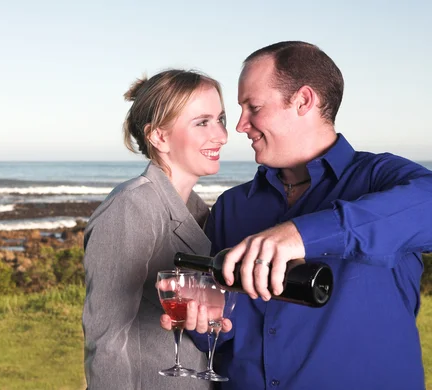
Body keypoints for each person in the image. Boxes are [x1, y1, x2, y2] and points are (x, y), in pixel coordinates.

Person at [162, 41, 432, 389]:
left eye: (253, 107)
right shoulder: (232, 206)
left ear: (304, 100)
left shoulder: (380, 178)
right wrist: (209, 322)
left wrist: (300, 235)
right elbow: (229, 331)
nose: (240, 126)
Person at [82, 69, 228, 389]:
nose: (221, 135)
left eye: (220, 119)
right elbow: (105, 343)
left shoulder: (198, 210)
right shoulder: (130, 208)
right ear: (159, 136)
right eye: (202, 122)